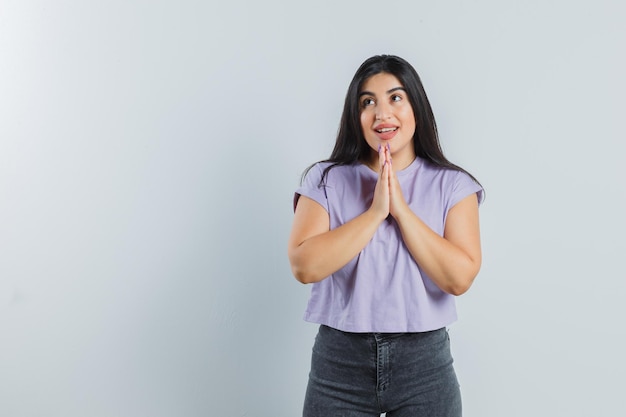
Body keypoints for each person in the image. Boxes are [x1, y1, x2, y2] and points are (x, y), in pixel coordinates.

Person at [287, 54, 484, 417]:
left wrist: (401, 211)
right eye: (368, 102)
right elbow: (305, 266)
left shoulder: (454, 185)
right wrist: (376, 212)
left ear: (416, 108)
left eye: (395, 97)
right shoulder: (326, 179)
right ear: (355, 115)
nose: (382, 113)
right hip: (339, 365)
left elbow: (459, 278)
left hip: (424, 367)